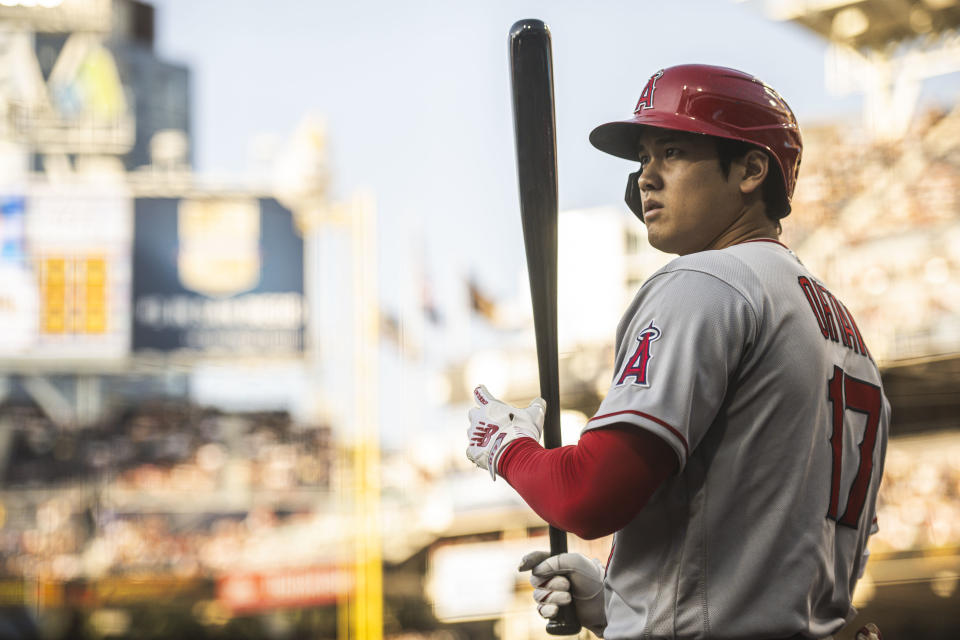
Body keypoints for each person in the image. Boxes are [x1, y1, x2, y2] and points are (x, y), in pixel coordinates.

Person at [465, 64, 890, 640]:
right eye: (644, 158)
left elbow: (588, 496)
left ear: (750, 169)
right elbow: (753, 548)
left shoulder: (708, 281)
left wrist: (507, 447)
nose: (646, 178)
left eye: (672, 151)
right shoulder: (840, 327)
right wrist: (616, 602)